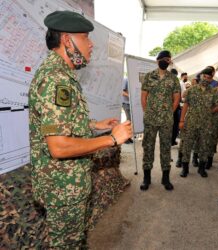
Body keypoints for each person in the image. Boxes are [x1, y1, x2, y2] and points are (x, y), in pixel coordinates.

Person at [28, 11, 132, 249]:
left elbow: (59, 123)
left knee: (75, 240)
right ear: (67, 40)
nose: (91, 44)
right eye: (86, 38)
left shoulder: (60, 74)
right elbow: (59, 146)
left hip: (66, 185)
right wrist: (111, 140)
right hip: (63, 189)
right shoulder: (57, 80)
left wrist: (95, 125)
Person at [140, 50, 181, 191]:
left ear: (170, 62)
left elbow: (176, 99)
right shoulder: (149, 76)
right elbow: (143, 97)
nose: (165, 61)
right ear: (157, 61)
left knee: (165, 148)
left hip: (166, 120)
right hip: (150, 119)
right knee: (148, 147)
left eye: (168, 59)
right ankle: (147, 178)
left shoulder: (173, 79)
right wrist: (148, 112)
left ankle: (165, 178)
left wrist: (170, 112)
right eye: (163, 59)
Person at [179, 70, 218, 178]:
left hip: (205, 124)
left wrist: (208, 111)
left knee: (204, 146)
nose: (206, 79)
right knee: (187, 145)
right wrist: (181, 120)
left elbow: (217, 106)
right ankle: (185, 169)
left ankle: (201, 169)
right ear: (201, 76)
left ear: (211, 79)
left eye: (208, 78)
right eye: (204, 76)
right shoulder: (192, 89)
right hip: (191, 122)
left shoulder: (213, 91)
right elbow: (185, 105)